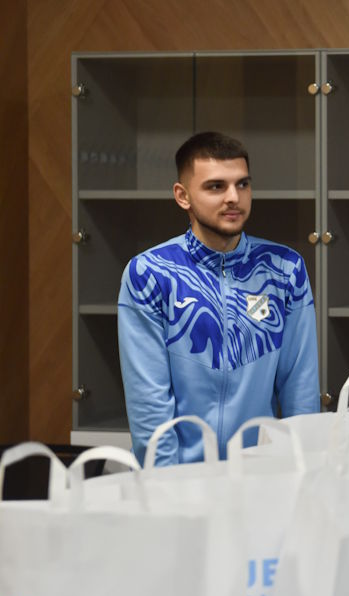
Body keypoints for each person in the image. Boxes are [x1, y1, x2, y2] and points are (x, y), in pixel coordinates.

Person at [118, 131, 320, 465]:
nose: (234, 197)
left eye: (242, 184)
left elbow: (300, 388)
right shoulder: (149, 273)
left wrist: (298, 469)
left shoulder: (285, 268)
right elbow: (149, 403)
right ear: (183, 196)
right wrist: (166, 486)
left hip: (261, 475)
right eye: (216, 186)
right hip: (180, 479)